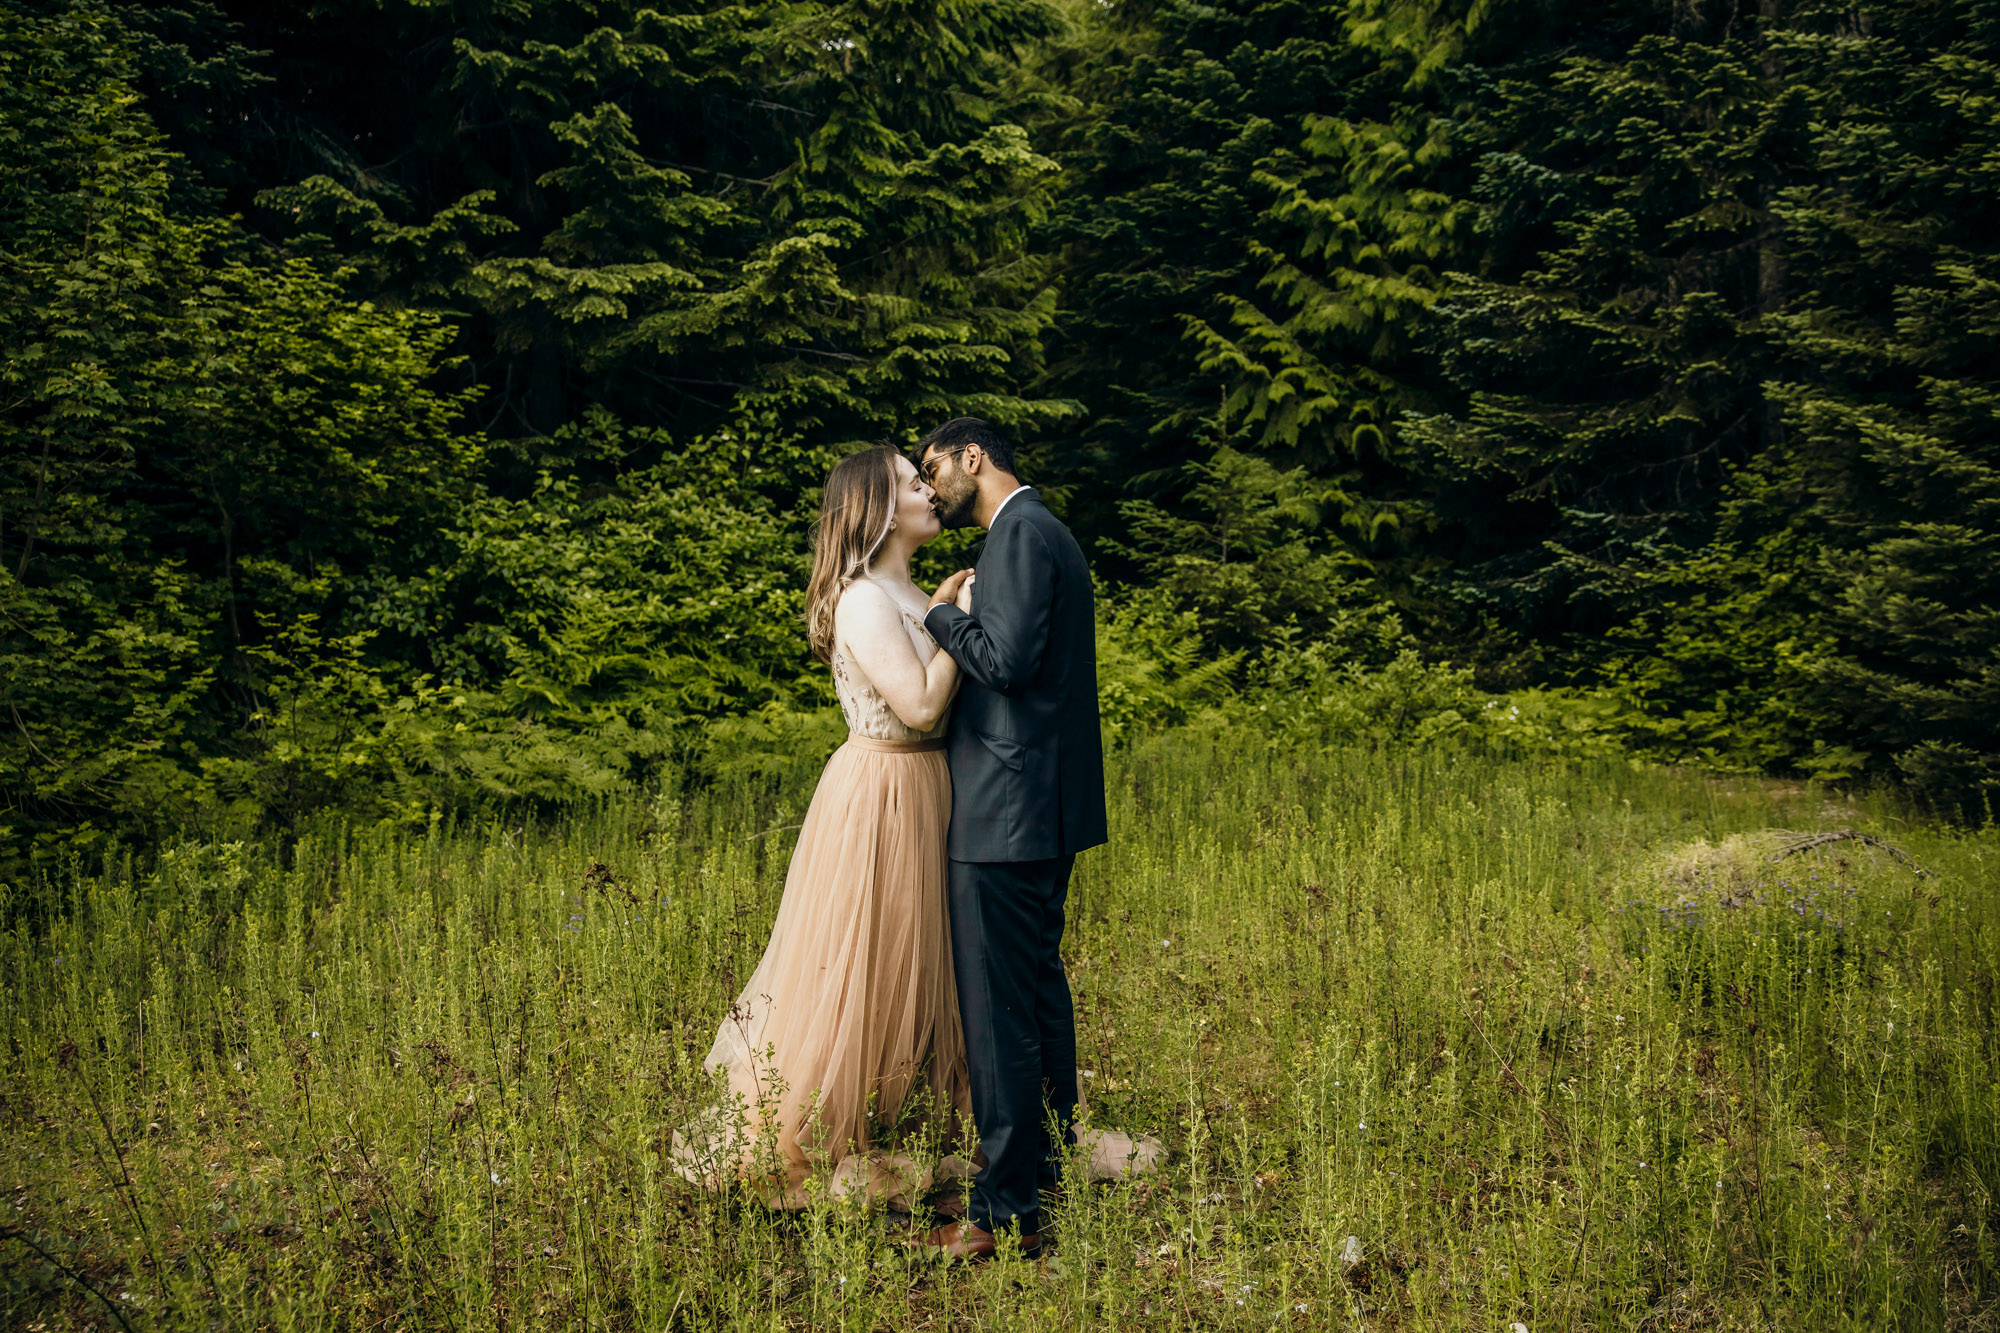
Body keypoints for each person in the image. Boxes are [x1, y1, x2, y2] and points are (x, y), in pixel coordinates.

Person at [670, 445, 976, 1209]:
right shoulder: (864, 597)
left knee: (924, 957)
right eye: (913, 483)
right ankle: (837, 1131)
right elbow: (922, 706)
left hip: (930, 785)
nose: (929, 491)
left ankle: (919, 1116)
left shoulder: (903, 589)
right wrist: (961, 625)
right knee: (869, 960)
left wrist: (939, 607)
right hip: (882, 791)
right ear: (877, 509)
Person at [908, 417, 1111, 1261]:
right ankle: (1047, 1175)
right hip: (1039, 808)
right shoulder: (1040, 531)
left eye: (933, 467)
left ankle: (1002, 1212)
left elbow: (1010, 659)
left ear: (973, 457)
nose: (930, 485)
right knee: (1036, 997)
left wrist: (938, 616)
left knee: (1000, 1016)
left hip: (1005, 814)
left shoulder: (1019, 534)